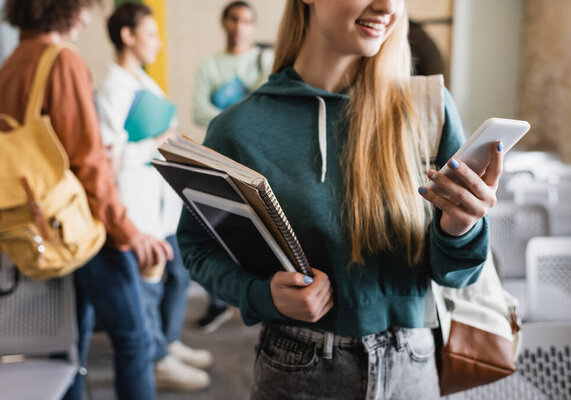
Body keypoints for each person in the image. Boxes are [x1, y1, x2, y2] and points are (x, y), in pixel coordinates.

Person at [177, 0, 504, 399]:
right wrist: (261, 295)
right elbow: (197, 248)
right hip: (299, 367)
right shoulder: (238, 129)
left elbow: (457, 276)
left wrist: (461, 228)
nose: (386, 6)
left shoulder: (428, 111)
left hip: (413, 367)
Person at [0, 1, 172, 399]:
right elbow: (88, 163)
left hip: (34, 227)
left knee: (70, 345)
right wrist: (129, 232)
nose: (87, 18)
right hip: (82, 227)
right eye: (84, 7)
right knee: (134, 339)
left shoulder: (8, 68)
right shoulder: (62, 61)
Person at [96, 2, 212, 391]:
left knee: (175, 275)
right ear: (127, 36)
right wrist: (152, 145)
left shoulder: (145, 84)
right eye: (150, 34)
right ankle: (158, 357)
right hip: (136, 206)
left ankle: (167, 344)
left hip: (161, 203)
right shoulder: (112, 88)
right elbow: (108, 157)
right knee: (147, 287)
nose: (158, 44)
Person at [191, 0, 273, 333]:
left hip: (257, 161)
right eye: (234, 19)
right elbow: (198, 112)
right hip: (219, 160)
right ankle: (218, 302)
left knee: (263, 230)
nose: (240, 26)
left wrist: (225, 116)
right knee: (218, 230)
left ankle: (265, 297)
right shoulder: (210, 67)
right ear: (224, 23)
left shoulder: (264, 61)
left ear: (253, 26)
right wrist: (242, 116)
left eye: (246, 21)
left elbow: (268, 105)